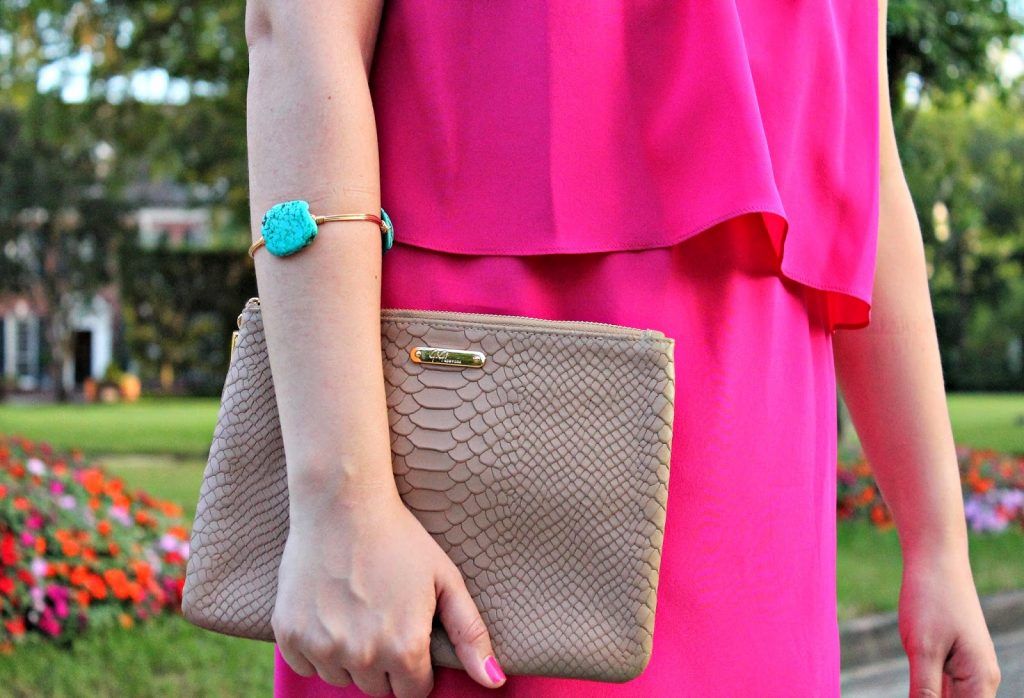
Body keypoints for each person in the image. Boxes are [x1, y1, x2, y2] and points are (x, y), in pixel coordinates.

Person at [243, 1, 1002, 696]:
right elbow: (301, 39)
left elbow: (861, 156)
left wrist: (937, 543)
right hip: (480, 442)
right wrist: (341, 502)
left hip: (759, 506)